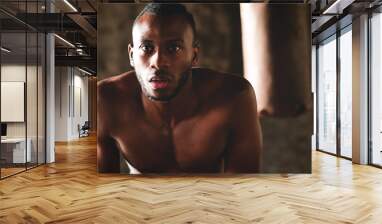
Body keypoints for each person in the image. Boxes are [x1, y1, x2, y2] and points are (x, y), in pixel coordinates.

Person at [97, 3, 262, 173]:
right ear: (132, 56)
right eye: (147, 48)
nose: (159, 62)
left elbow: (243, 190)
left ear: (194, 55)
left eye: (174, 48)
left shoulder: (234, 97)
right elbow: (102, 190)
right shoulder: (107, 100)